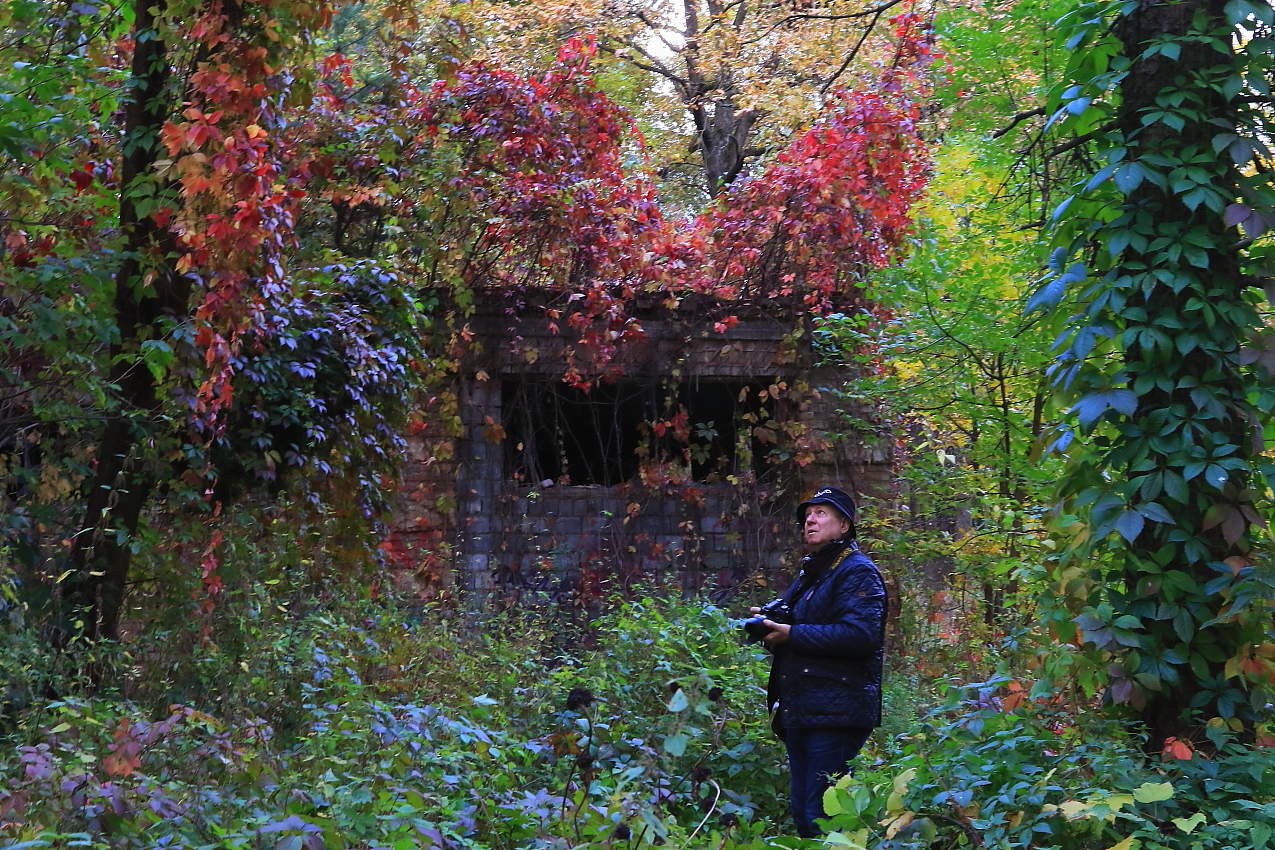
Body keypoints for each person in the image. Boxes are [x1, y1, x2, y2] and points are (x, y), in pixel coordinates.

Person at [750, 486, 887, 838]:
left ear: (844, 525)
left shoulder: (858, 572)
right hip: (805, 708)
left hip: (838, 711)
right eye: (808, 514)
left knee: (822, 816)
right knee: (803, 811)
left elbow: (860, 636)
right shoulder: (813, 573)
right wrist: (771, 626)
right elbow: (802, 630)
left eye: (821, 513)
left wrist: (791, 633)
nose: (810, 519)